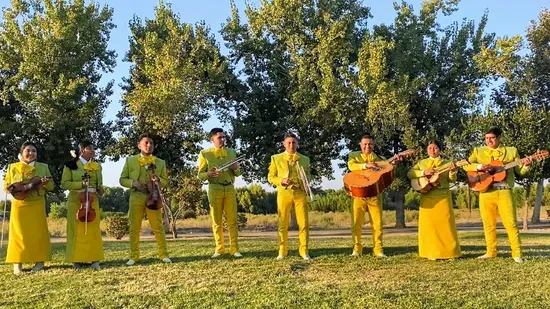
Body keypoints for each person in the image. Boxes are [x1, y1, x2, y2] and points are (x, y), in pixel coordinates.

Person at [463, 127, 531, 263]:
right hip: (485, 191)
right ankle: (490, 252)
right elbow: (465, 165)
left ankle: (517, 254)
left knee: (511, 223)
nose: (489, 140)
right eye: (486, 138)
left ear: (499, 138)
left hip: (504, 191)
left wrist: (526, 166)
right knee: (488, 224)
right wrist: (479, 167)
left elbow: (520, 172)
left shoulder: (511, 151)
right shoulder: (478, 151)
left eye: (492, 138)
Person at [119, 134, 171, 265]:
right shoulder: (130, 160)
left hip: (153, 196)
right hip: (136, 195)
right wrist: (132, 183)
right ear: (139, 146)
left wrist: (159, 180)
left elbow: (165, 180)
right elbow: (122, 179)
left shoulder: (160, 162)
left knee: (158, 226)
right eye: (146, 143)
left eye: (151, 143)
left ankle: (163, 254)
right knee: (134, 227)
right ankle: (133, 256)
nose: (149, 145)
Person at [4, 142, 53, 274]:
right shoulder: (12, 167)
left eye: (34, 151)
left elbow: (51, 187)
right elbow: (6, 185)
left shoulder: (43, 167)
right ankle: (17, 262)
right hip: (19, 205)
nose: (31, 153)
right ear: (21, 153)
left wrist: (45, 184)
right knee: (18, 234)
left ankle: (39, 262)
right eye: (28, 150)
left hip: (37, 204)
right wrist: (9, 188)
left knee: (38, 233)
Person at [347, 135, 401, 257]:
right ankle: (357, 249)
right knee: (356, 223)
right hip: (358, 194)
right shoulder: (354, 155)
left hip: (375, 195)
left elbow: (387, 172)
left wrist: (394, 164)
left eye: (370, 144)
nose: (367, 146)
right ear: (360, 145)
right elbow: (351, 166)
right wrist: (366, 166)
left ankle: (378, 249)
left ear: (373, 145)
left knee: (377, 224)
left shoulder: (380, 159)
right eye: (365, 144)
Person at [407, 140, 461, 260]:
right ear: (427, 150)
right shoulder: (422, 163)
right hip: (427, 196)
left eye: (435, 148)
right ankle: (431, 253)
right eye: (430, 148)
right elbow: (410, 174)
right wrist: (423, 172)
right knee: (429, 227)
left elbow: (452, 180)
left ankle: (450, 253)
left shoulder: (447, 163)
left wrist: (452, 171)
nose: (432, 150)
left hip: (443, 197)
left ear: (440, 150)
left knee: (446, 225)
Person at [198, 128, 243, 258]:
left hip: (229, 188)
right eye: (219, 137)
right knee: (216, 221)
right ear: (212, 139)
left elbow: (238, 173)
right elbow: (200, 175)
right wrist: (208, 174)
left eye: (224, 137)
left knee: (232, 221)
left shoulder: (231, 152)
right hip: (214, 188)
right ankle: (219, 249)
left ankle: (234, 249)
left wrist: (236, 168)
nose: (223, 139)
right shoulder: (205, 153)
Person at [268, 134, 312, 261]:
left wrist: (306, 180)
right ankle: (282, 251)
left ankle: (304, 251)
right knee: (283, 223)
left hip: (300, 193)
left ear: (297, 144)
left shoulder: (305, 159)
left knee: (303, 223)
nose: (291, 145)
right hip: (284, 193)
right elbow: (271, 177)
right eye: (289, 143)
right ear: (284, 144)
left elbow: (309, 175)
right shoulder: (276, 158)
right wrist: (281, 180)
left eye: (294, 142)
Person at [62, 141, 104, 269]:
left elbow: (99, 183)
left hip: (92, 200)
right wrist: (81, 184)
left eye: (93, 148)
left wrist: (100, 189)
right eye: (89, 148)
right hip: (76, 200)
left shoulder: (97, 166)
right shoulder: (70, 165)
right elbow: (65, 184)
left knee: (93, 229)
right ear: (81, 151)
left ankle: (94, 259)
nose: (93, 150)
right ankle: (76, 260)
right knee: (76, 230)